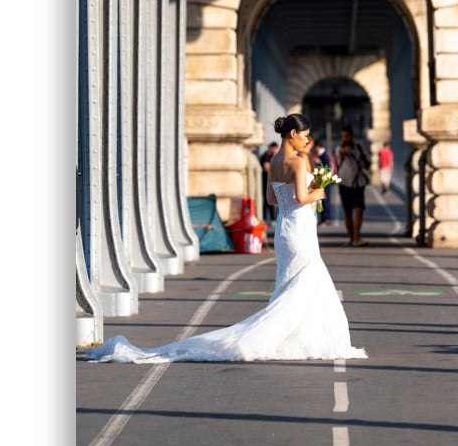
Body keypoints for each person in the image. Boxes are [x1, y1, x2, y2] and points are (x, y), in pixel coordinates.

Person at [84, 113, 367, 364]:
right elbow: (304, 197)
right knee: (305, 282)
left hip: (284, 230)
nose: (307, 141)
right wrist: (317, 191)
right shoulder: (298, 161)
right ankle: (300, 335)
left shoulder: (275, 160)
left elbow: (271, 199)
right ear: (293, 134)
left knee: (291, 285)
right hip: (301, 231)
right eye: (305, 135)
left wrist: (299, 195)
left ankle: (290, 332)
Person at [336, 125, 370, 246]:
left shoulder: (359, 148)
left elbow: (367, 164)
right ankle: (351, 238)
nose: (344, 139)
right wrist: (344, 151)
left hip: (358, 183)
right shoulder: (339, 148)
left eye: (346, 136)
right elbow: (339, 154)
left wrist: (363, 163)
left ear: (352, 136)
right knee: (347, 212)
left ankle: (356, 237)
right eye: (342, 137)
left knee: (359, 210)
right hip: (344, 183)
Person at [311, 138, 334, 225]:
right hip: (321, 180)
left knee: (326, 200)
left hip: (325, 181)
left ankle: (327, 218)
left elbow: (327, 168)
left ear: (317, 147)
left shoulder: (324, 155)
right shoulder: (321, 154)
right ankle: (323, 218)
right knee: (321, 200)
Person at [260, 141, 278, 230]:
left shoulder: (272, 156)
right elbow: (266, 168)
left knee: (270, 201)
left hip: (271, 181)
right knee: (267, 201)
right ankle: (266, 218)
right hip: (265, 181)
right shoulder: (266, 156)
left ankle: (271, 218)